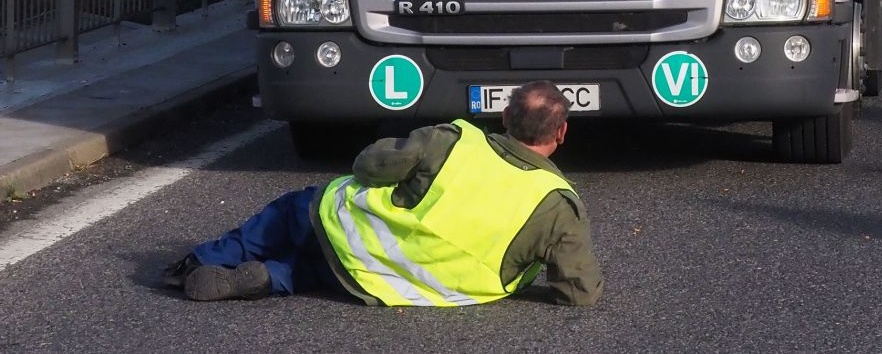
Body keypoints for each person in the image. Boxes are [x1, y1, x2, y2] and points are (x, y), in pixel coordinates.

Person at [163, 81, 602, 305]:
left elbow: (368, 165)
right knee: (311, 274)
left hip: (349, 231)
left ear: (504, 116)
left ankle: (201, 260)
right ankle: (269, 279)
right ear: (561, 133)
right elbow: (578, 292)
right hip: (390, 282)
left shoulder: (453, 140)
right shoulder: (559, 205)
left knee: (290, 212)